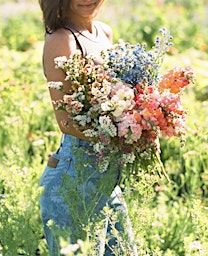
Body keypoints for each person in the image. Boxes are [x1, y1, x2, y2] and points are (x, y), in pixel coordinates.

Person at [38, 0, 137, 255]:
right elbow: (66, 121)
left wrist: (142, 120)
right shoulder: (61, 40)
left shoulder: (104, 32)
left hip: (106, 177)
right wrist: (120, 136)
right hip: (74, 179)